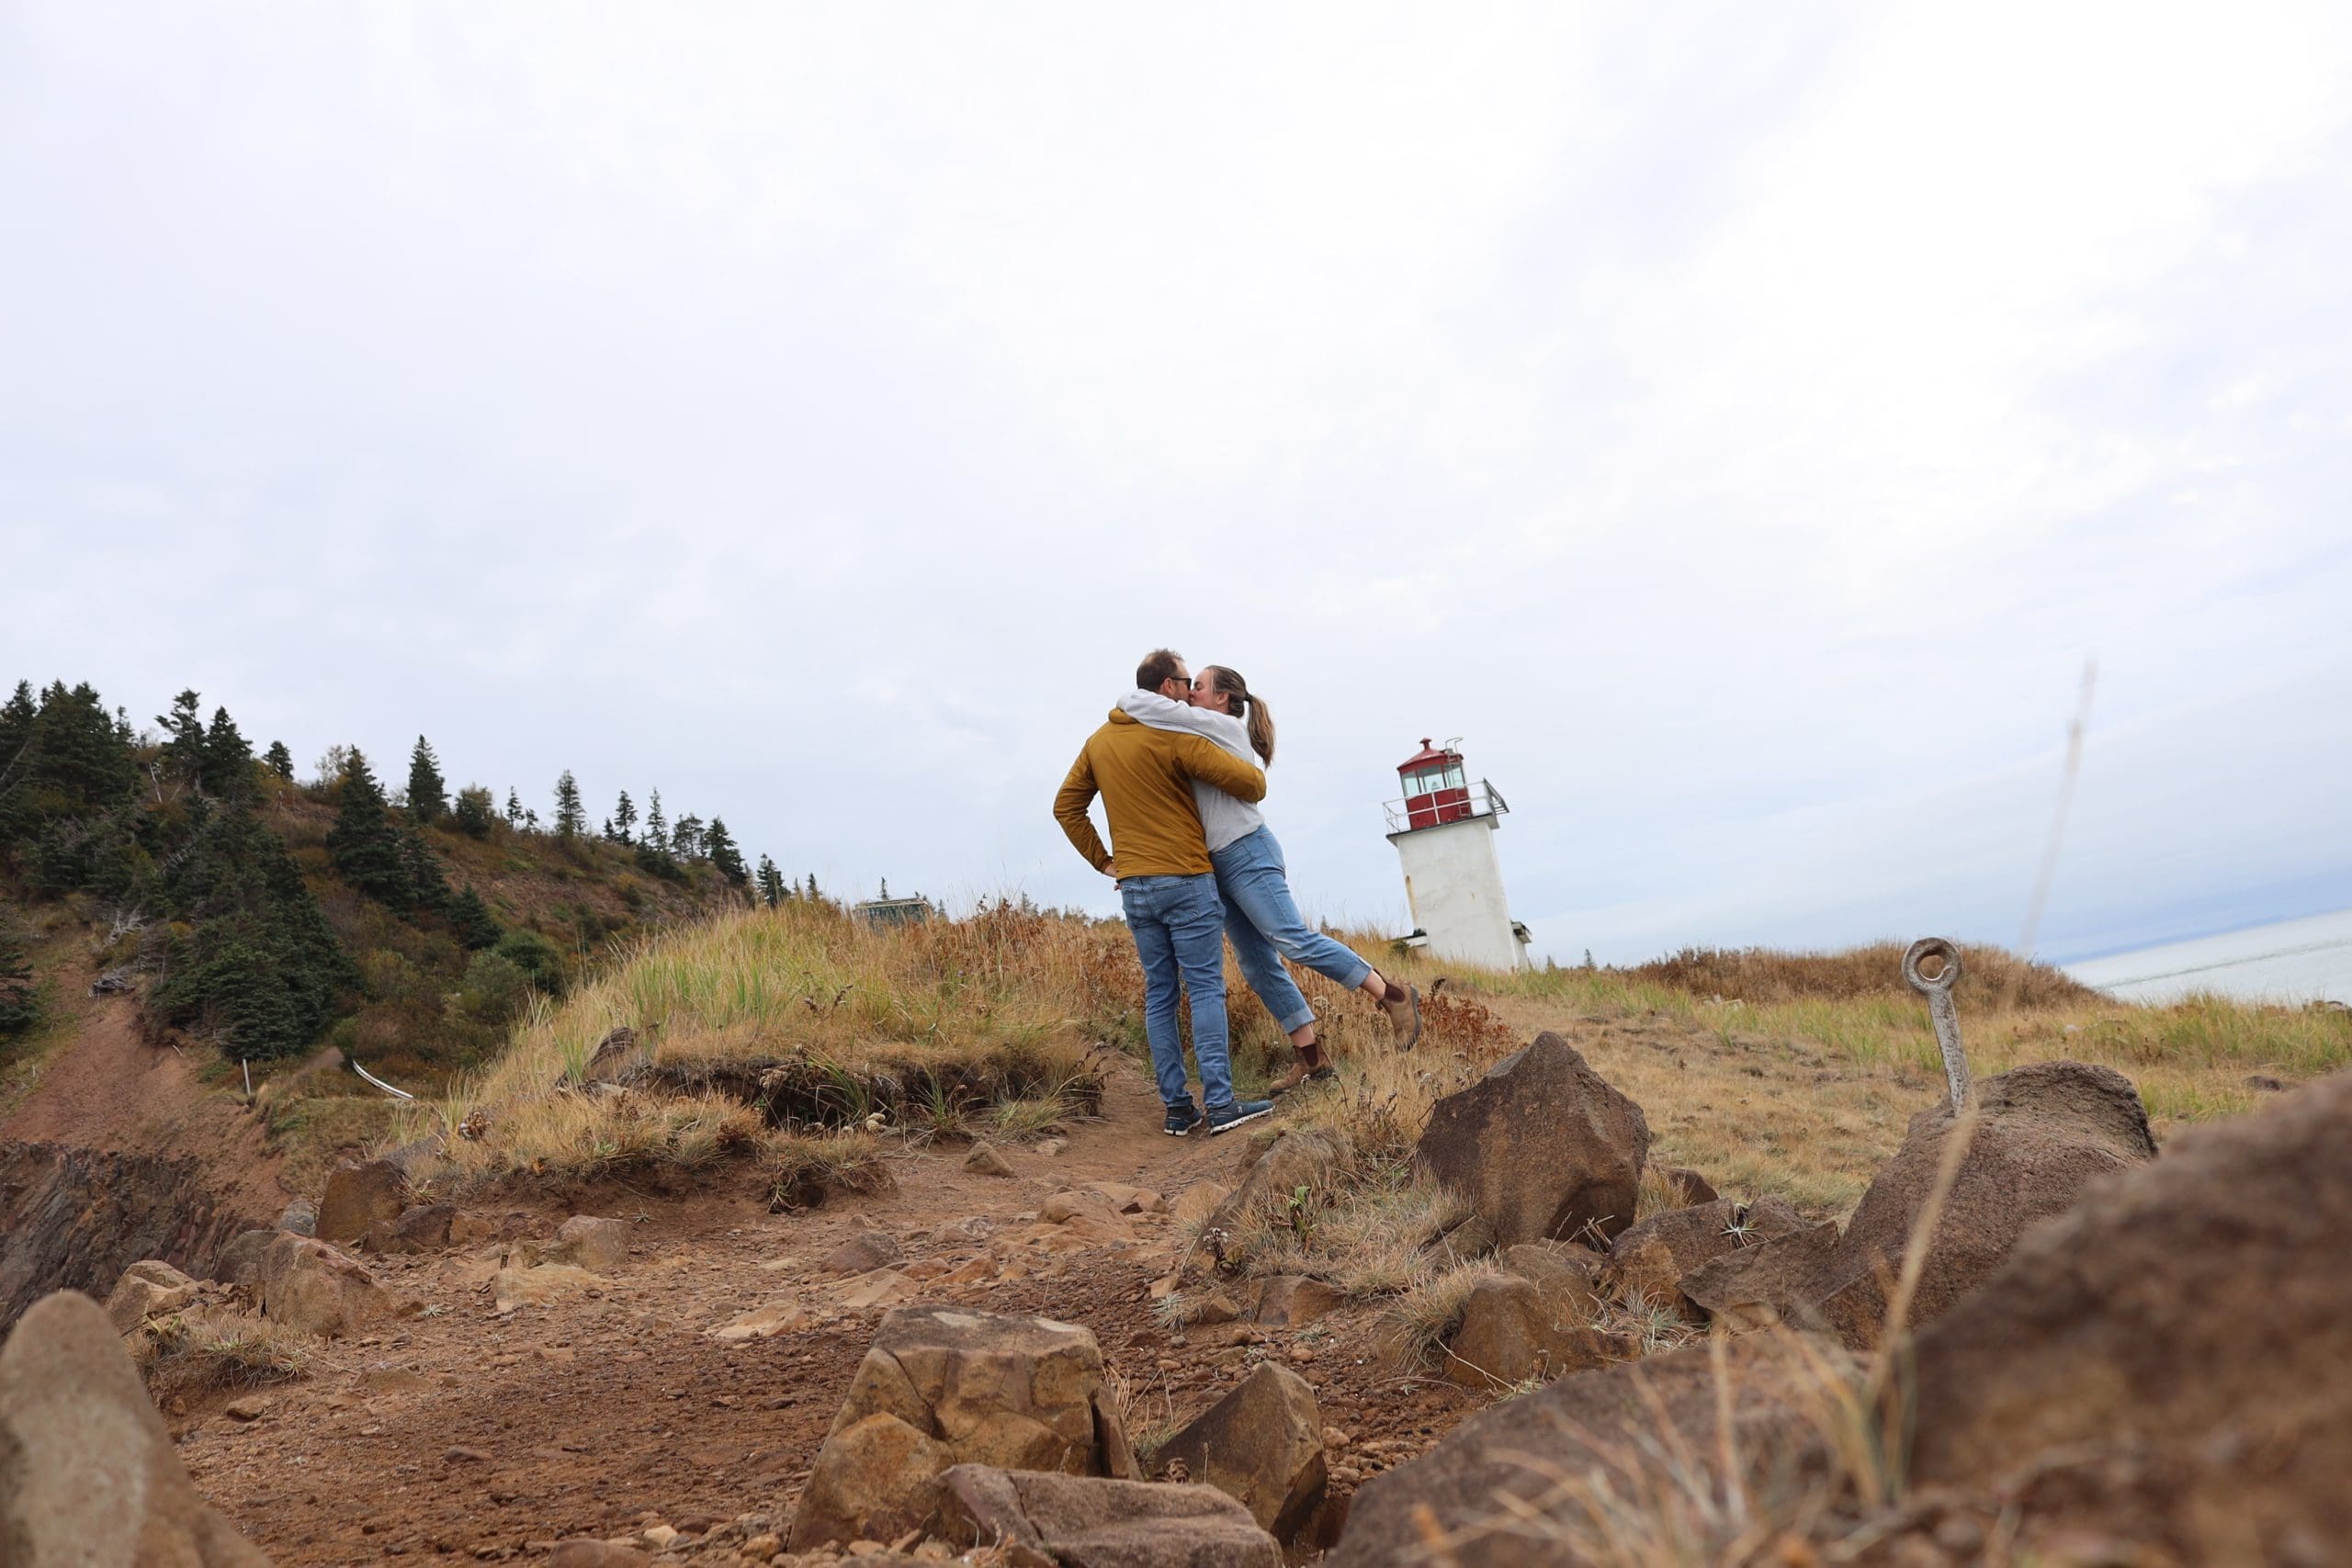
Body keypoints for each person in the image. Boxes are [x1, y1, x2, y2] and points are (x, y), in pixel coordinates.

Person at [1119, 664, 1421, 1096]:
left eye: (1198, 687)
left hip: (1246, 852)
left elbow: (1134, 702)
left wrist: (1147, 695)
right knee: (1257, 965)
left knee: (1291, 938)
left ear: (1222, 699)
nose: (1190, 695)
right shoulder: (1199, 731)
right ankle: (1312, 1059)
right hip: (1217, 866)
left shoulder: (1220, 726)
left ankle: (1393, 995)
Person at [1055, 649, 1279, 1136]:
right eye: (1184, 680)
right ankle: (1220, 1105)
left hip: (1134, 886)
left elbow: (1066, 808)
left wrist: (1106, 861)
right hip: (1186, 879)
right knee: (1204, 989)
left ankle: (1177, 1110)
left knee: (1160, 994)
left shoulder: (1098, 742)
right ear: (1167, 688)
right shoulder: (1171, 737)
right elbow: (1251, 784)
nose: (1189, 691)